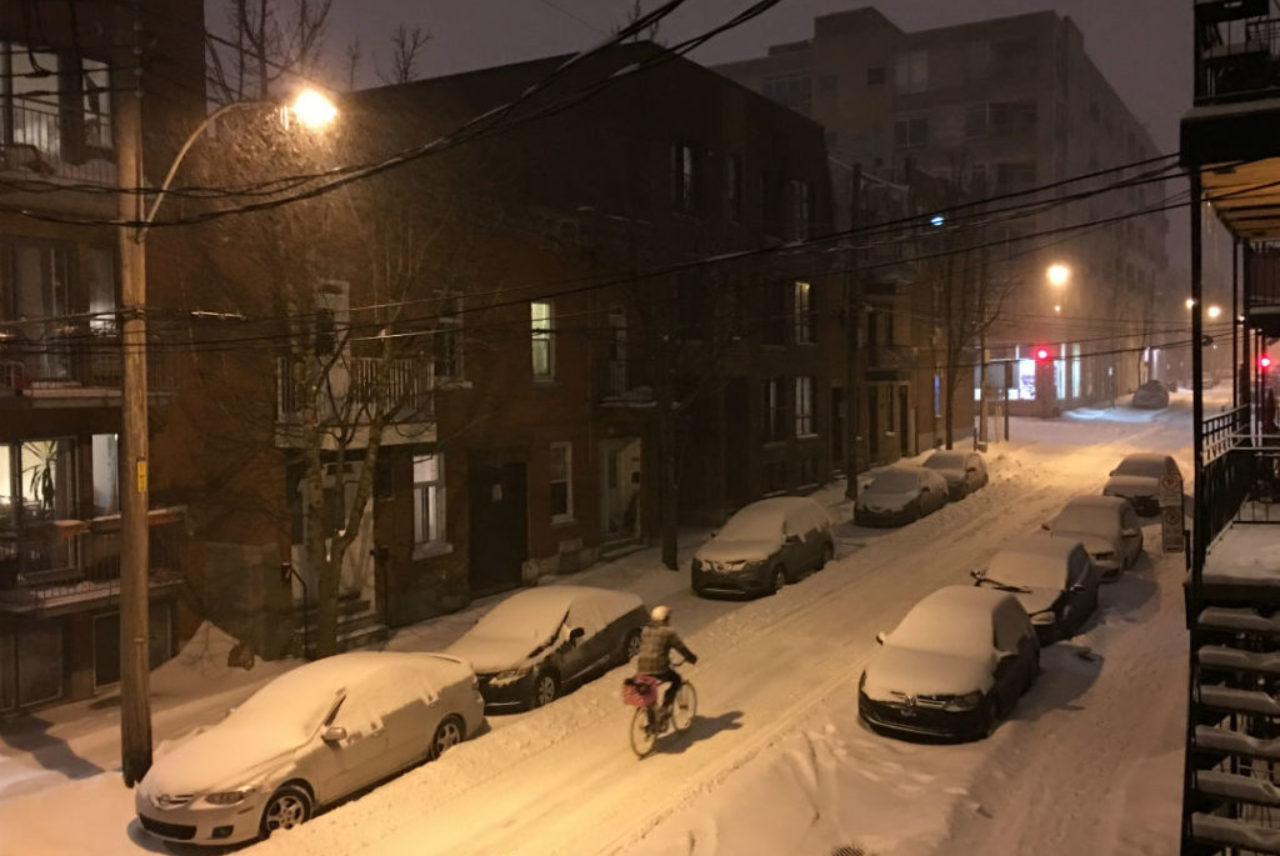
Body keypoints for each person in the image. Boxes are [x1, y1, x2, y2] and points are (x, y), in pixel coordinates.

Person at [636, 604, 697, 723]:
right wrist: (691, 658)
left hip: (642, 667)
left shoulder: (645, 630)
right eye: (668, 618)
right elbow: (680, 647)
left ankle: (652, 725)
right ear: (665, 619)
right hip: (659, 668)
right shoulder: (668, 632)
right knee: (676, 680)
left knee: (649, 692)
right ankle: (664, 708)